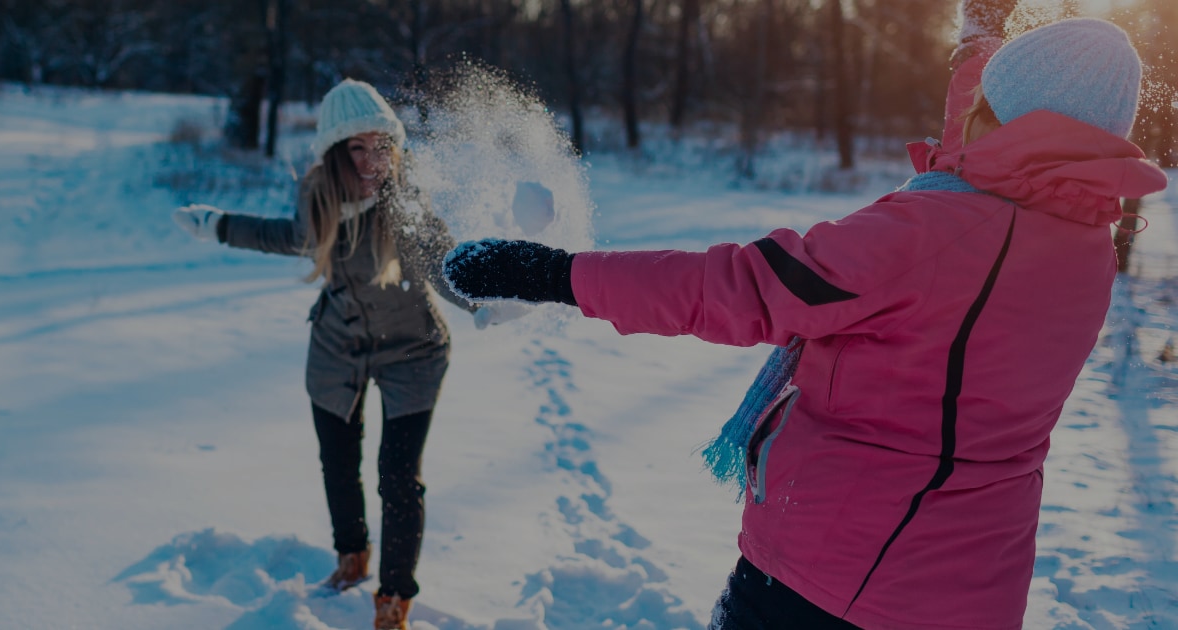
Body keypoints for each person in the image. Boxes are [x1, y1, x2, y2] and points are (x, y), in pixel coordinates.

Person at [439, 4, 1169, 629]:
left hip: (836, 577)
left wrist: (556, 275)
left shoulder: (926, 238)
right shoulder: (1085, 243)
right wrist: (981, 48)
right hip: (973, 592)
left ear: (1001, 119)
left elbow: (736, 287)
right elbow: (992, 160)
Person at [172, 78, 521, 630]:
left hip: (413, 351)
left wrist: (478, 299)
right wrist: (219, 227)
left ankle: (393, 600)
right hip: (338, 346)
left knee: (398, 476)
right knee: (338, 462)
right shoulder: (320, 194)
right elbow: (290, 237)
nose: (369, 160)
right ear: (336, 152)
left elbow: (437, 257)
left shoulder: (405, 198)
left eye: (379, 145)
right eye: (355, 148)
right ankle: (350, 557)